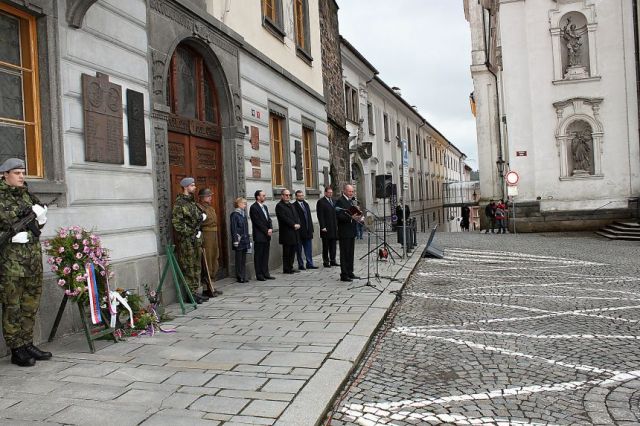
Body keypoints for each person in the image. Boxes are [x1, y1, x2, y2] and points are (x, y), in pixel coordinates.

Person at [0, 158, 51, 367]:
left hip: (32, 261)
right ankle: (16, 349)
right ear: (4, 175)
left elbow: (37, 222)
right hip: (11, 263)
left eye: (23, 172)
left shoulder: (27, 195)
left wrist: (41, 219)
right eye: (17, 173)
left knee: (30, 304)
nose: (22, 176)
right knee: (13, 306)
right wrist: (9, 236)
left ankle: (27, 342)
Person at [172, 177, 208, 304]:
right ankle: (189, 294)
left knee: (197, 266)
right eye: (192, 185)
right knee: (189, 267)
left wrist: (201, 218)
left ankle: (195, 292)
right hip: (186, 241)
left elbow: (197, 218)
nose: (194, 187)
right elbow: (177, 223)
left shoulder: (192, 202)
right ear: (185, 187)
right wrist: (191, 233)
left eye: (194, 185)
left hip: (195, 240)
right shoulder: (179, 203)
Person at [197, 188, 222, 297]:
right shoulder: (199, 207)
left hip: (213, 234)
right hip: (206, 235)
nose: (210, 198)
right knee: (207, 259)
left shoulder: (210, 208)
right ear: (202, 197)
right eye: (208, 196)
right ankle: (207, 286)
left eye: (210, 196)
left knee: (214, 257)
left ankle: (212, 284)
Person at [336, 184, 362, 282]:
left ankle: (350, 272)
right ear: (344, 191)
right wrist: (351, 217)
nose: (351, 193)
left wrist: (358, 217)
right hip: (344, 231)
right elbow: (339, 216)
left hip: (351, 231)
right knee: (344, 253)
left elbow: (352, 213)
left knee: (350, 253)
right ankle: (344, 274)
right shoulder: (340, 201)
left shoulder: (350, 201)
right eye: (350, 191)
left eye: (352, 191)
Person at [249, 190, 275, 281]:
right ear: (258, 197)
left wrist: (271, 228)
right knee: (259, 255)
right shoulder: (254, 208)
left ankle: (266, 273)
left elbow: (268, 219)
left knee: (265, 255)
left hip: (267, 235)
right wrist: (266, 230)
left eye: (264, 195)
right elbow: (257, 222)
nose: (264, 197)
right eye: (263, 195)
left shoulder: (265, 207)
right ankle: (259, 274)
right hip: (260, 235)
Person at [275, 189, 301, 274]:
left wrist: (298, 224)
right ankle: (286, 268)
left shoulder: (291, 205)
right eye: (286, 195)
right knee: (287, 251)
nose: (288, 197)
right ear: (282, 196)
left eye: (289, 195)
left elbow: (297, 216)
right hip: (286, 232)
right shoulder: (279, 206)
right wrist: (293, 225)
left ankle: (290, 266)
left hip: (294, 232)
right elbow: (284, 218)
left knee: (293, 251)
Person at [293, 190, 317, 270]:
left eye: (302, 195)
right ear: (296, 197)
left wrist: (311, 229)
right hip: (299, 232)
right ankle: (301, 264)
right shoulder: (293, 206)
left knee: (308, 249)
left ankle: (310, 263)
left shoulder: (306, 204)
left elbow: (309, 218)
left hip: (308, 231)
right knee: (299, 250)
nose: (301, 197)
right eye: (299, 196)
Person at [316, 186, 339, 268]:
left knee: (333, 245)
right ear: (325, 193)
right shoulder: (321, 202)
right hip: (326, 228)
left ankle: (333, 260)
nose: (330, 194)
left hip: (333, 227)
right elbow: (320, 215)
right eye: (329, 192)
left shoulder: (334, 201)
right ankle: (326, 261)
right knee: (326, 246)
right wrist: (323, 226)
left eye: (331, 193)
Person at [230, 197, 250, 283]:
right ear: (238, 204)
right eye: (244, 203)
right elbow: (233, 228)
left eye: (245, 204)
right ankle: (239, 276)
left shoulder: (243, 214)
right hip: (239, 240)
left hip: (245, 239)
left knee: (243, 259)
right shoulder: (235, 214)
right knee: (238, 259)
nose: (245, 205)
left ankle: (243, 275)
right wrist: (235, 240)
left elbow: (246, 227)